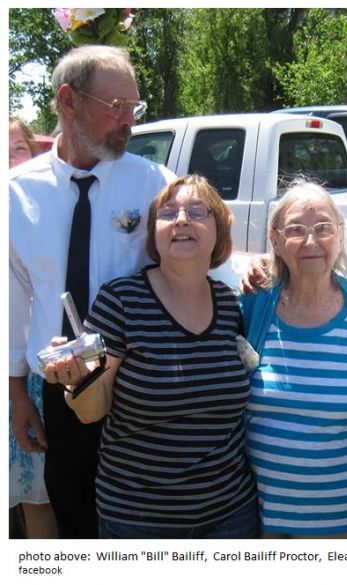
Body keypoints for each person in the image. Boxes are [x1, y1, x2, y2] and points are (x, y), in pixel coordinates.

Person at [9, 45, 175, 538]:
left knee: (146, 518)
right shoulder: (15, 194)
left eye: (134, 107)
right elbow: (12, 303)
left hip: (140, 386)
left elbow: (205, 252)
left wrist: (251, 270)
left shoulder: (153, 183)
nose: (129, 122)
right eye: (117, 107)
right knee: (74, 512)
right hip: (60, 387)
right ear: (69, 100)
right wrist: (18, 395)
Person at [43, 174, 259, 539]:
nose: (181, 220)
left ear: (220, 230)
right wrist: (79, 380)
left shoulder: (230, 305)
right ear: (154, 233)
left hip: (231, 515)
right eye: (168, 213)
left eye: (197, 211)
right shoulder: (122, 300)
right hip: (139, 519)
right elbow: (92, 411)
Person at [241, 180, 347, 538]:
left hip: (343, 526)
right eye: (295, 230)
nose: (310, 241)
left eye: (322, 228)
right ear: (275, 240)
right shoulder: (254, 303)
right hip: (260, 524)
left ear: (340, 235)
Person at [8, 117, 59, 540]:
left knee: (38, 494)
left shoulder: (41, 210)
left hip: (28, 376)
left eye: (18, 150)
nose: (9, 161)